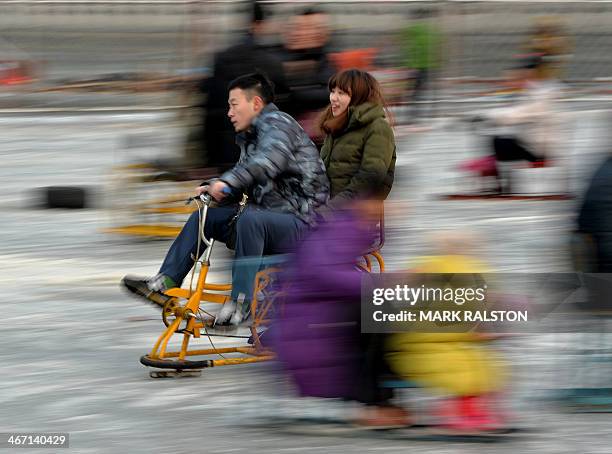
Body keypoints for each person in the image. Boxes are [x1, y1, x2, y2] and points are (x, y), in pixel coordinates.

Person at [122, 72, 329, 325]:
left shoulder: (279, 124)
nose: (229, 112)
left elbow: (267, 163)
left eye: (233, 104)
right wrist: (214, 187)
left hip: (303, 223)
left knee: (251, 220)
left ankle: (241, 304)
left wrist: (228, 182)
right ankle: (165, 283)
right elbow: (245, 178)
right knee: (205, 217)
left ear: (255, 104)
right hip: (270, 220)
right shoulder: (250, 138)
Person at [197, 1, 289, 169]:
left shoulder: (223, 59)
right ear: (262, 25)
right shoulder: (273, 63)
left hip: (227, 152)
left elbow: (211, 113)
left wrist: (208, 159)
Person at [317, 68, 396, 216]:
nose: (333, 98)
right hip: (327, 211)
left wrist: (331, 209)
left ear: (359, 97)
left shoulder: (378, 128)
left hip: (354, 218)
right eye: (333, 91)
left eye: (341, 93)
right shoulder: (337, 128)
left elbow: (370, 177)